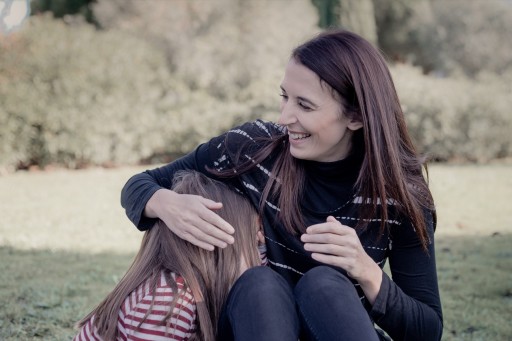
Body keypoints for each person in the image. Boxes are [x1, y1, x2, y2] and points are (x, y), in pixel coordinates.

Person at [121, 29, 443, 340]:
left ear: (355, 117)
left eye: (304, 105)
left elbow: (427, 330)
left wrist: (366, 270)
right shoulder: (253, 149)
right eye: (284, 97)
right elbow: (141, 184)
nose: (285, 117)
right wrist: (167, 204)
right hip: (255, 323)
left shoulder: (401, 198)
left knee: (324, 285)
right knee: (261, 285)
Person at [75, 170, 264, 341]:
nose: (261, 246)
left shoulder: (192, 288)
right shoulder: (168, 304)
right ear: (217, 246)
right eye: (254, 242)